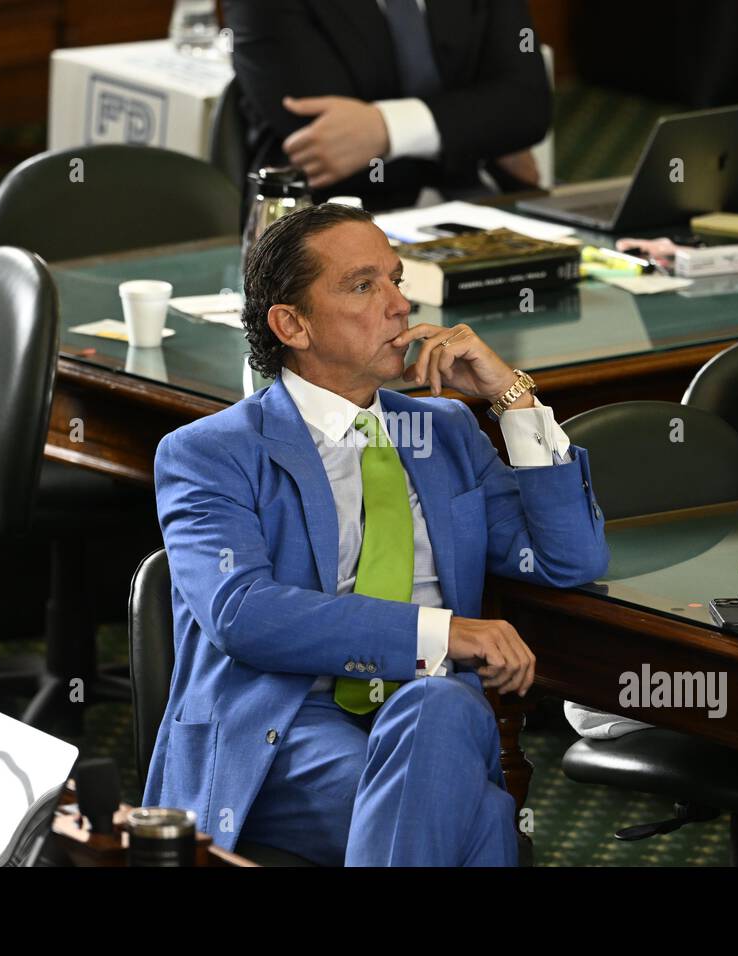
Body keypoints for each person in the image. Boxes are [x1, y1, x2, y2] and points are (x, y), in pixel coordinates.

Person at [142, 202, 607, 866]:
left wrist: (511, 397)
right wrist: (442, 634)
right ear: (291, 323)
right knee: (478, 817)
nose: (399, 304)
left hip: (433, 720)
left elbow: (570, 558)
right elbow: (241, 614)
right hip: (284, 736)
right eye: (364, 286)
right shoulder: (210, 452)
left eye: (396, 278)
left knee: (437, 707)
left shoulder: (443, 431)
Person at [221, 0, 550, 211]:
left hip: (478, 207)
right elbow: (325, 143)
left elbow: (529, 106)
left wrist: (386, 128)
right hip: (328, 225)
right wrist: (478, 135)